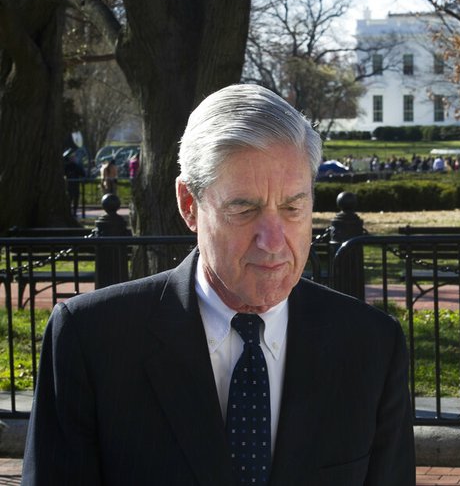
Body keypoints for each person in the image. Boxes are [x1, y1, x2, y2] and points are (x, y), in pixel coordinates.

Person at [22, 84, 415, 485]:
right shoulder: (93, 339)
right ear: (189, 205)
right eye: (244, 209)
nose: (274, 241)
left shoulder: (371, 346)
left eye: (293, 207)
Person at [63, 152, 85, 217]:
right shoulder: (67, 166)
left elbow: (83, 173)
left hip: (75, 184)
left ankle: (74, 212)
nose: (73, 159)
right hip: (70, 185)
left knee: (75, 199)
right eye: (72, 158)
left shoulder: (77, 166)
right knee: (70, 199)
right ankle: (69, 212)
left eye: (74, 158)